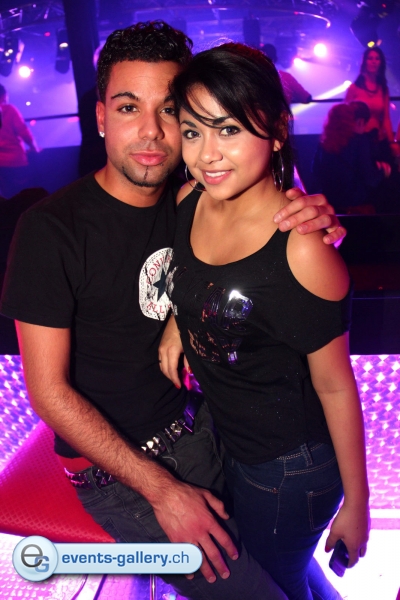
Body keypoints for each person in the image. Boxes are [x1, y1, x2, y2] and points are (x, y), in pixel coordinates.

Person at [1, 22, 345, 600]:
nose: (151, 131)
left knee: (291, 572)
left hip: (209, 432)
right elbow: (48, 394)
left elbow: (272, 187)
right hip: (120, 476)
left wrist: (310, 214)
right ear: (101, 117)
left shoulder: (197, 197)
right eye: (128, 107)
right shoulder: (51, 231)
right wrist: (162, 490)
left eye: (168, 110)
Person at [159, 43, 370, 600]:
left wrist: (359, 504)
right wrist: (178, 323)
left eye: (228, 130)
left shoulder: (302, 246)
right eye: (193, 131)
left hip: (291, 469)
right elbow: (198, 279)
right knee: (286, 577)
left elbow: (336, 386)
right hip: (233, 442)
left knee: (275, 584)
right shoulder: (188, 201)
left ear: (276, 130)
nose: (207, 154)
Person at [312, 101, 390, 214]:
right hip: (354, 205)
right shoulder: (359, 141)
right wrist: (383, 172)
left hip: (330, 204)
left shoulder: (324, 142)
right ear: (359, 122)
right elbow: (370, 179)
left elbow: (315, 171)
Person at [345, 47, 396, 163]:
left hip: (377, 140)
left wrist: (391, 142)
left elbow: (386, 119)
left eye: (377, 59)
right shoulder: (354, 88)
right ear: (364, 62)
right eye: (370, 58)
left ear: (381, 63)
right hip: (357, 140)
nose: (374, 61)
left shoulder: (383, 89)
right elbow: (344, 116)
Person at [0, 84, 39, 198]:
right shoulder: (9, 110)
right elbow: (23, 132)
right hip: (15, 161)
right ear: (4, 96)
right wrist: (34, 147)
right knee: (20, 197)